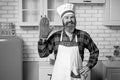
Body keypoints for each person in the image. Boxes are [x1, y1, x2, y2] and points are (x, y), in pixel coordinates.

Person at [38, 3, 99, 80]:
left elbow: (95, 51)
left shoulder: (83, 35)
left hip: (76, 76)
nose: (70, 20)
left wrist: (88, 66)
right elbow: (43, 54)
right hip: (59, 76)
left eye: (72, 17)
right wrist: (42, 39)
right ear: (62, 20)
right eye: (66, 17)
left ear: (75, 19)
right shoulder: (56, 36)